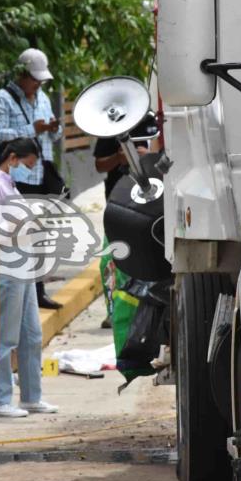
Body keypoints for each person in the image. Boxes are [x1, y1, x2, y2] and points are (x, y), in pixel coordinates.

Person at [0, 138, 59, 417]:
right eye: (27, 164)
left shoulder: (9, 186)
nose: (29, 170)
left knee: (32, 334)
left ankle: (31, 396)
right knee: (5, 336)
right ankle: (0, 400)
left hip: (23, 266)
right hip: (8, 266)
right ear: (12, 158)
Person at [0, 48, 64, 309]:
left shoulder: (42, 97)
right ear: (21, 74)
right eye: (34, 79)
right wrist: (33, 128)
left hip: (42, 172)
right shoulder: (2, 99)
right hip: (17, 177)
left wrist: (54, 129)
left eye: (41, 80)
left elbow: (51, 135)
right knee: (18, 237)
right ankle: (16, 292)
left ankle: (37, 291)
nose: (38, 84)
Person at [94, 111, 159, 329]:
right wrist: (119, 158)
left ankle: (146, 311)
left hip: (154, 207)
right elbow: (99, 165)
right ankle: (114, 311)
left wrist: (150, 154)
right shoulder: (109, 127)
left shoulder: (154, 122)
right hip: (119, 208)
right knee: (111, 262)